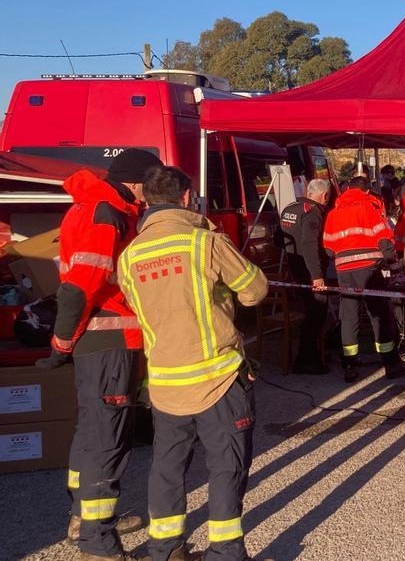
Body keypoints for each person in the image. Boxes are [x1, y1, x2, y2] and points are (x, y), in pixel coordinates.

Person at [116, 166, 267, 561]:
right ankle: (226, 553)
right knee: (226, 467)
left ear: (147, 201)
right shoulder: (205, 243)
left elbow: (145, 308)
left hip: (165, 383)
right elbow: (254, 290)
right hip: (218, 378)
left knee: (167, 468)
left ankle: (165, 549)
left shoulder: (130, 256)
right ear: (186, 198)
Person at [39, 150, 160, 558]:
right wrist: (61, 341)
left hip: (100, 341)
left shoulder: (99, 208)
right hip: (110, 341)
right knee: (108, 440)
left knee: (92, 432)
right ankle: (98, 539)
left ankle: (81, 519)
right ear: (137, 181)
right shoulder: (106, 216)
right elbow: (79, 287)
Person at [323, 176, 402, 382]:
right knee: (378, 315)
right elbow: (385, 240)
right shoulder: (370, 208)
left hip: (344, 270)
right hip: (369, 268)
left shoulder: (333, 213)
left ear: (347, 189)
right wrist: (392, 264)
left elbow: (329, 248)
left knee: (348, 317)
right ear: (367, 191)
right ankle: (390, 364)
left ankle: (350, 366)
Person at [274, 178, 333, 375]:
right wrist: (317, 275)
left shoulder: (290, 207)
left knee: (311, 312)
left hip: (295, 269)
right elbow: (310, 245)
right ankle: (306, 359)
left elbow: (278, 239)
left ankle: (314, 353)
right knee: (317, 313)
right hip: (308, 272)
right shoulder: (313, 213)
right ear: (324, 196)